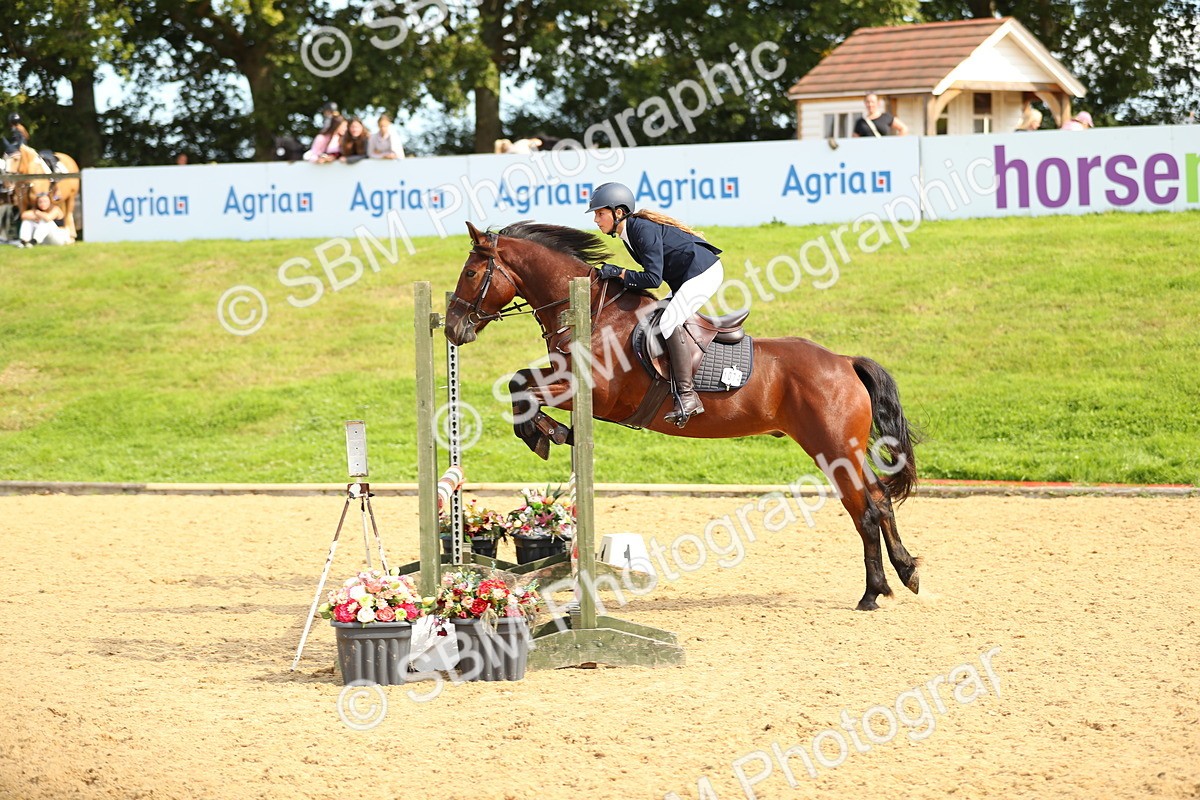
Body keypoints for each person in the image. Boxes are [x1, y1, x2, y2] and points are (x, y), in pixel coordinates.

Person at [586, 182, 724, 427]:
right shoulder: (629, 232)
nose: (596, 220)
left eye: (600, 213)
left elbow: (653, 278)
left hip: (703, 273)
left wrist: (619, 273)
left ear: (618, 212)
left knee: (670, 323)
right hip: (685, 277)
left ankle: (688, 396)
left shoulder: (640, 229)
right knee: (658, 316)